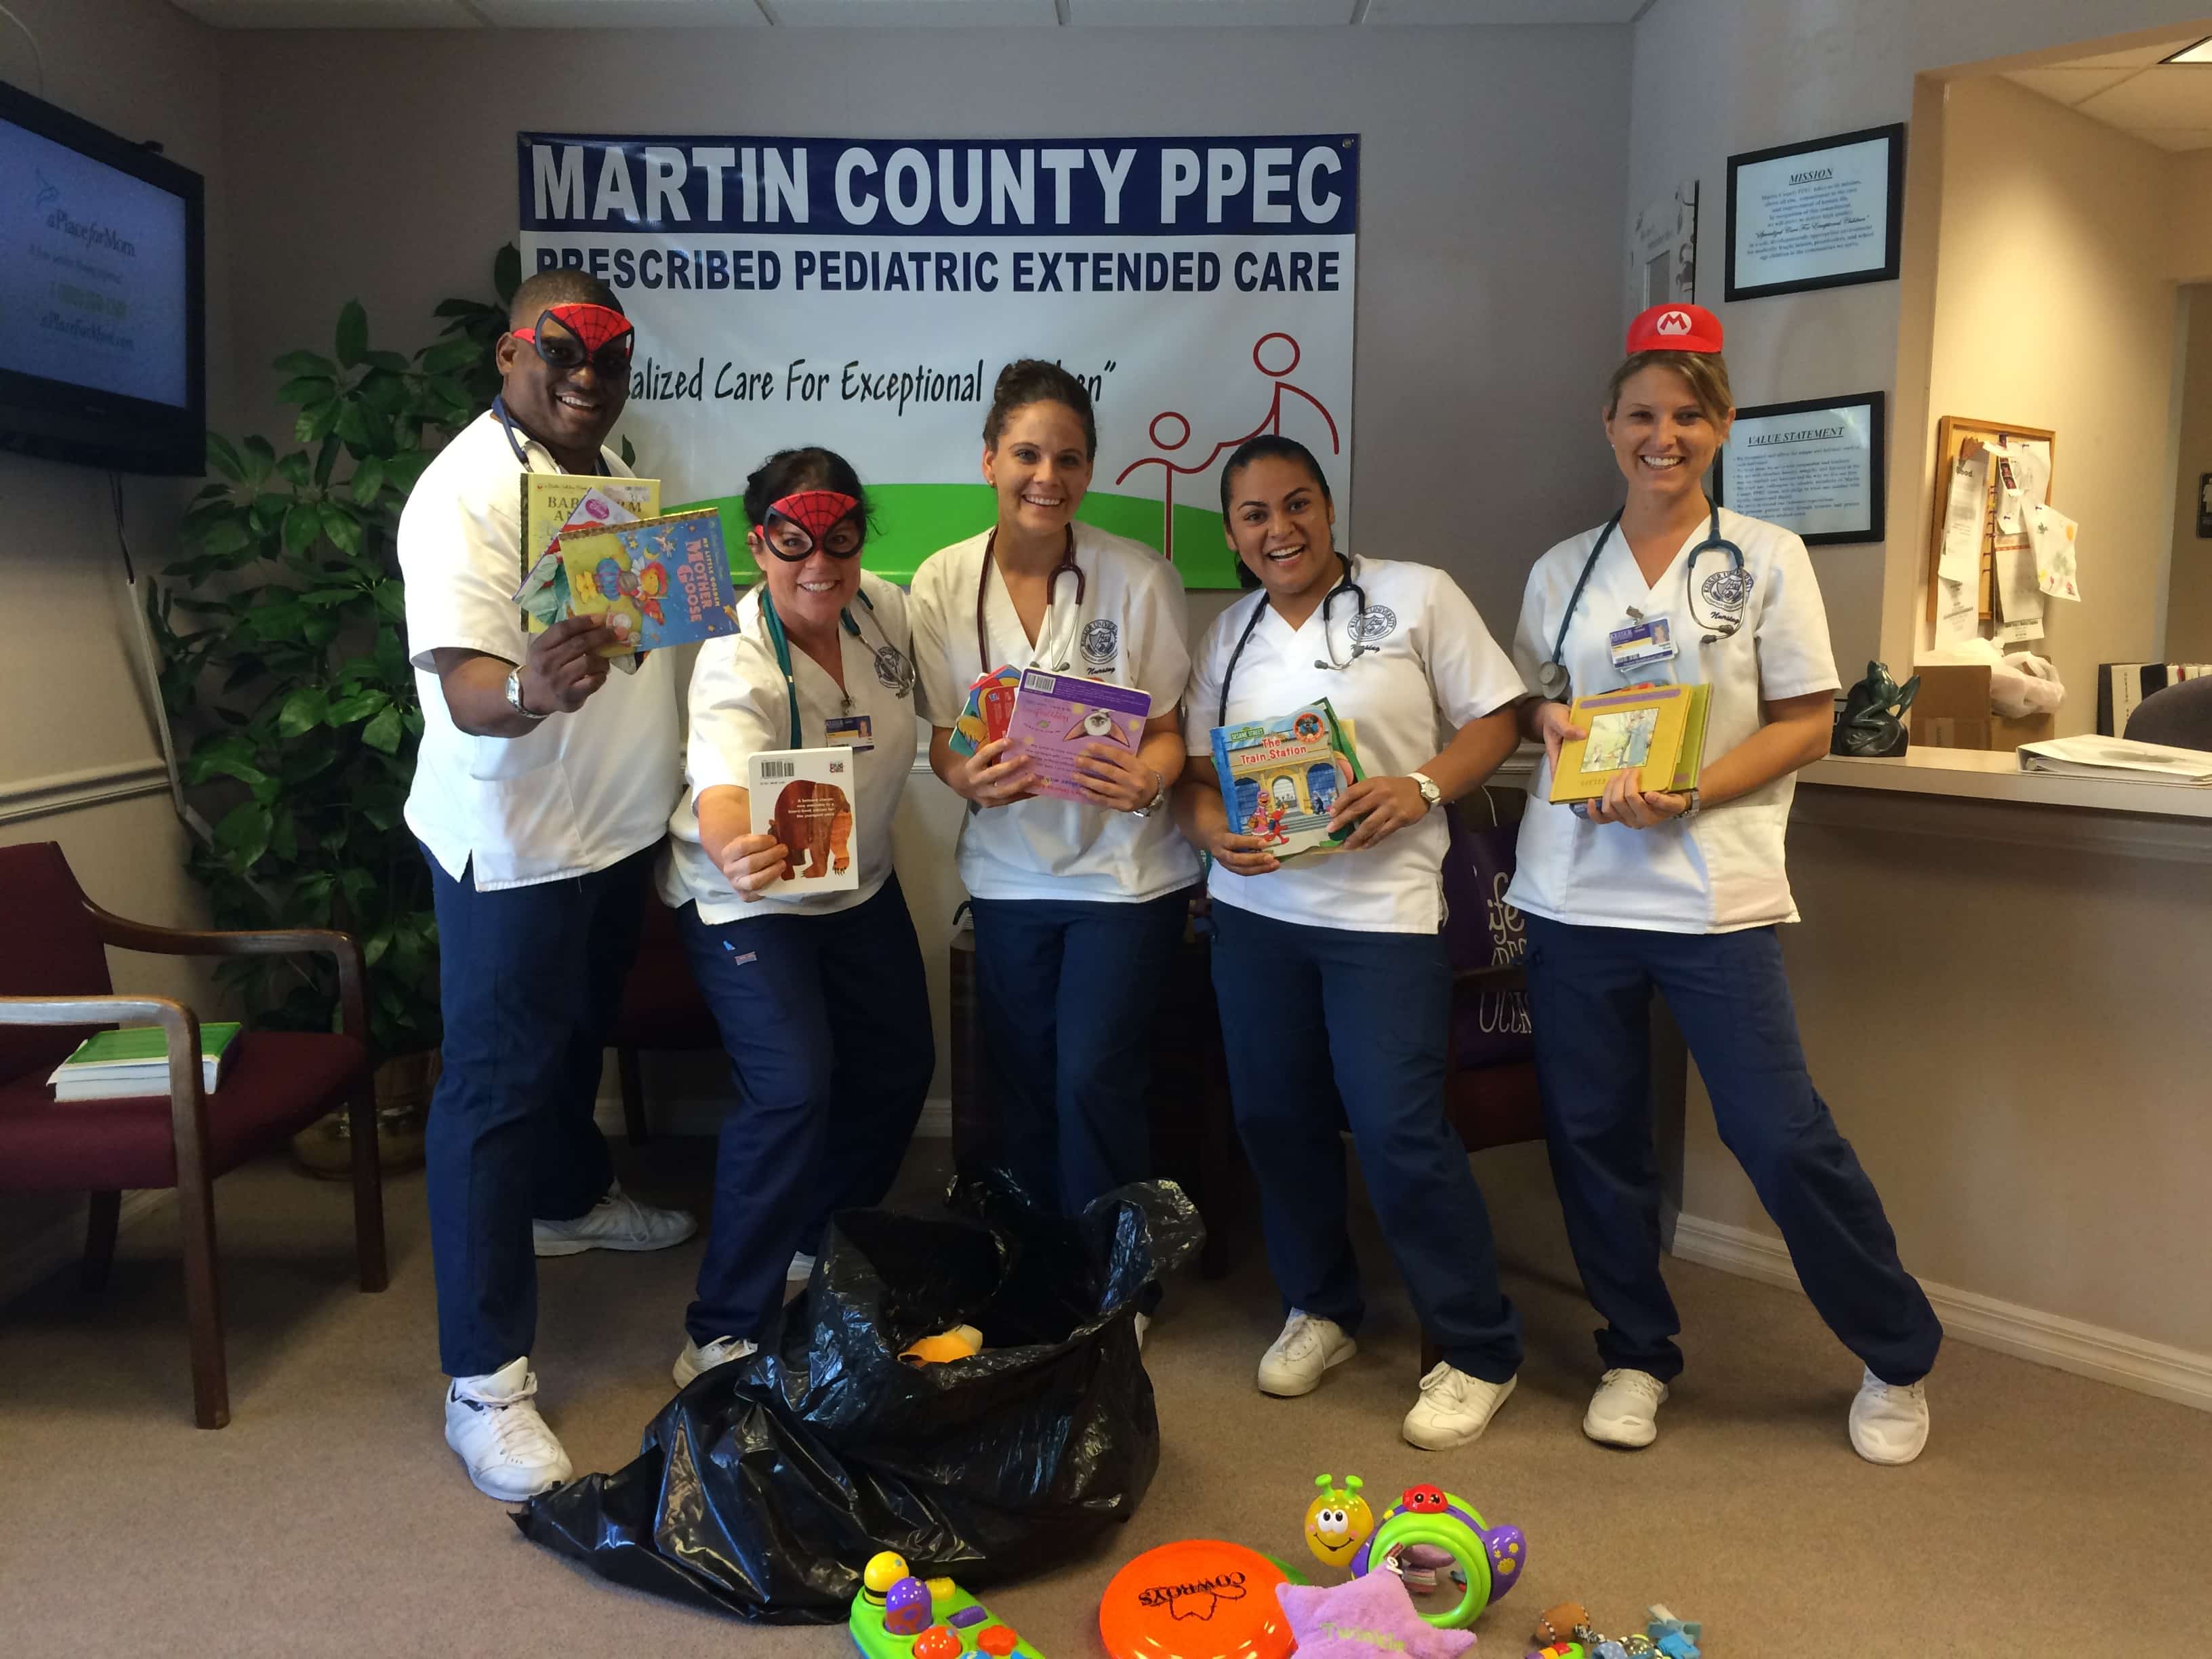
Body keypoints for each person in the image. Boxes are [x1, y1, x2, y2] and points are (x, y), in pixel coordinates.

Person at [1509, 302, 1942, 1465]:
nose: (1665, 435)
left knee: (1779, 1132)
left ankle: (1897, 1356)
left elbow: (1809, 723)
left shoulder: (1766, 557)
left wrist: (1690, 790)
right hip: (1577, 895)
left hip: (1711, 895)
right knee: (1593, 1132)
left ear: (1722, 426)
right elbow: (1538, 704)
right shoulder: (1564, 568)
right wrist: (1549, 716)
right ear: (1609, 426)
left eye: (1688, 415)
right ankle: (1637, 1353)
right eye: (1643, 414)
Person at [401, 269, 694, 1502]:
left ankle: (569, 1198)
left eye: (611, 353)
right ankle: (484, 1383)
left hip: (612, 826)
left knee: (574, 1035)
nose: (587, 374)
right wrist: (529, 690)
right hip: (513, 839)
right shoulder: (461, 494)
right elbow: (468, 683)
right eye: (561, 351)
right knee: (493, 1087)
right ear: (510, 355)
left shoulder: (611, 461)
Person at [1174, 434, 1529, 1450]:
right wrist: (1212, 835)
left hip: (1382, 918)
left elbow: (1497, 720)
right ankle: (1321, 1308)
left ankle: (1478, 1347)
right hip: (1257, 919)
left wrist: (1421, 785)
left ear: (1328, 509)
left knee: (1397, 1132)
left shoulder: (1416, 596)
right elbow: (1197, 780)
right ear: (1234, 536)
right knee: (1276, 1121)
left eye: (1297, 506)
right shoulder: (1230, 635)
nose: (1278, 530)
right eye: (1254, 515)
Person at [907, 361, 1200, 1303]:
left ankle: (1120, 1283)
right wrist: (966, 775)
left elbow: (1168, 730)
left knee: (1091, 1077)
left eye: (1068, 459)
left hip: (1125, 875)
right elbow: (947, 733)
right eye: (1027, 454)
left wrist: (1148, 779)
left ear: (1088, 472)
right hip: (1006, 875)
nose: (1047, 476)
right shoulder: (941, 584)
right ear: (990, 459)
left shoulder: (1138, 577)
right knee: (1025, 1082)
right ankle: (1039, 1267)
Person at [657, 447, 934, 1387]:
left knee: (901, 1064)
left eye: (840, 540)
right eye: (793, 542)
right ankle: (721, 1323)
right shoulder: (736, 659)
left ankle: (817, 1234)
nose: (819, 563)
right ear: (758, 543)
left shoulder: (884, 610)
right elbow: (723, 788)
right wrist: (736, 842)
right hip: (750, 897)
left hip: (857, 884)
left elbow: (951, 714)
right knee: (791, 1088)